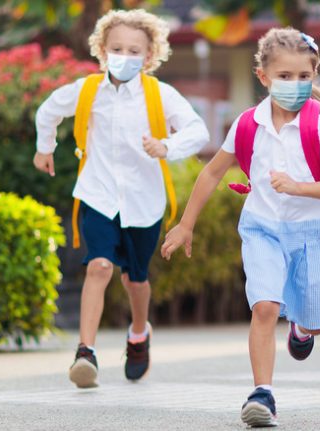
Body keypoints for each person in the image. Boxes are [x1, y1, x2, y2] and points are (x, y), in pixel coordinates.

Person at [161, 27, 320, 427]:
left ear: (314, 75)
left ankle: (302, 332)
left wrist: (298, 187)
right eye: (285, 77)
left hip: (313, 233)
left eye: (304, 77)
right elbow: (212, 173)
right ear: (264, 77)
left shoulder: (319, 125)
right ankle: (262, 395)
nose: (295, 85)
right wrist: (186, 224)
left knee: (314, 320)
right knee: (265, 306)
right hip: (262, 228)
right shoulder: (247, 124)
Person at [33, 9, 209, 388]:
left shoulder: (159, 95)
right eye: (117, 48)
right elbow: (48, 111)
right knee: (98, 266)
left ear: (149, 56)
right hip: (97, 195)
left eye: (134, 50)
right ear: (102, 50)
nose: (124, 56)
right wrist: (43, 148)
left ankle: (139, 334)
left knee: (135, 280)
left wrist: (166, 146)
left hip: (144, 202)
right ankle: (86, 352)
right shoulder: (86, 90)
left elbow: (197, 130)